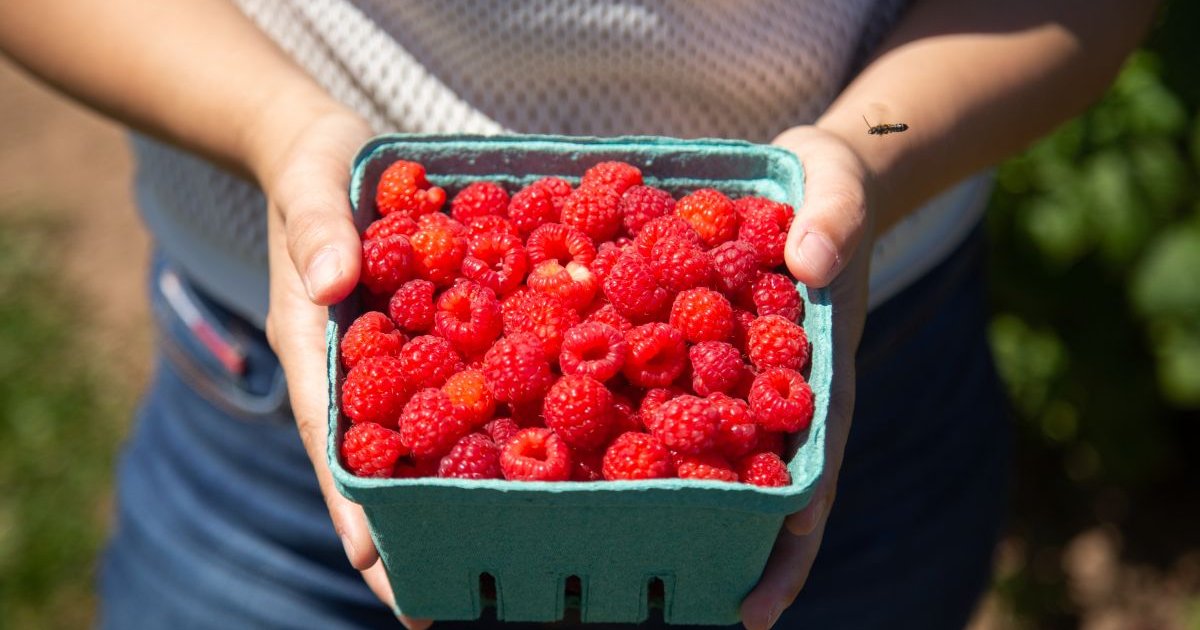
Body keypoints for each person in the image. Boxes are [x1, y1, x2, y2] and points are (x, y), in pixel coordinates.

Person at [0, 1, 1157, 628]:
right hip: (280, 423)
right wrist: (275, 126)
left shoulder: (686, 333)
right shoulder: (448, 342)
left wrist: (865, 156)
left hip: (847, 391)